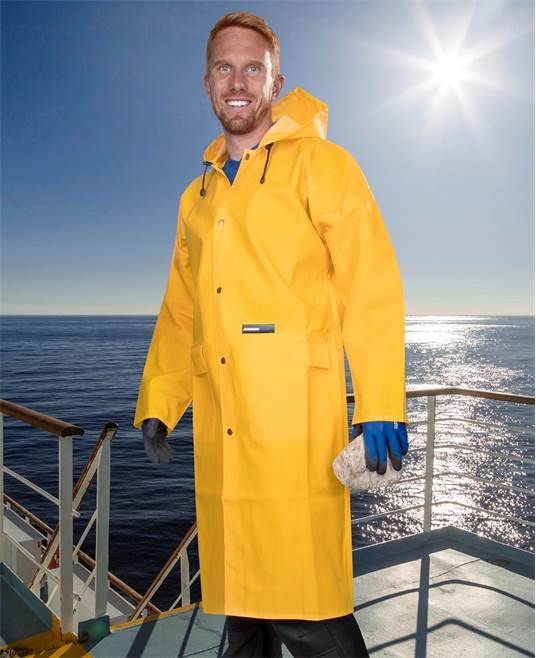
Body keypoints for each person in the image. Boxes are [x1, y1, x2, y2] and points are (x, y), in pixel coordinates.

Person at [133, 11, 409, 658]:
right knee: (244, 618)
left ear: (274, 82)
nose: (237, 82)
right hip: (223, 430)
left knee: (310, 614)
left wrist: (380, 404)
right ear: (207, 84)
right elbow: (180, 311)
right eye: (224, 68)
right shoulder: (196, 197)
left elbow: (370, 287)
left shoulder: (323, 166)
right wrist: (160, 403)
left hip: (295, 432)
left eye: (252, 68)